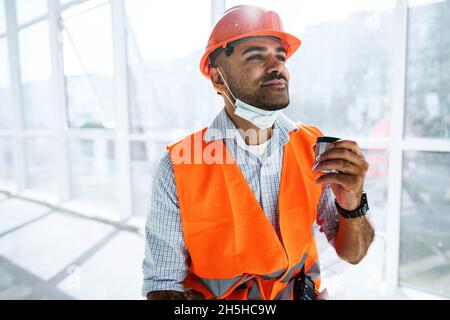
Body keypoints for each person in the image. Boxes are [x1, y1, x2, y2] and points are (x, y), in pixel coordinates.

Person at [143, 5, 374, 300]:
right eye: (256, 56)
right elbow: (162, 285)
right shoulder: (178, 166)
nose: (276, 66)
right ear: (218, 78)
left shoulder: (314, 148)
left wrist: (352, 202)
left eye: (280, 56)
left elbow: (353, 254)